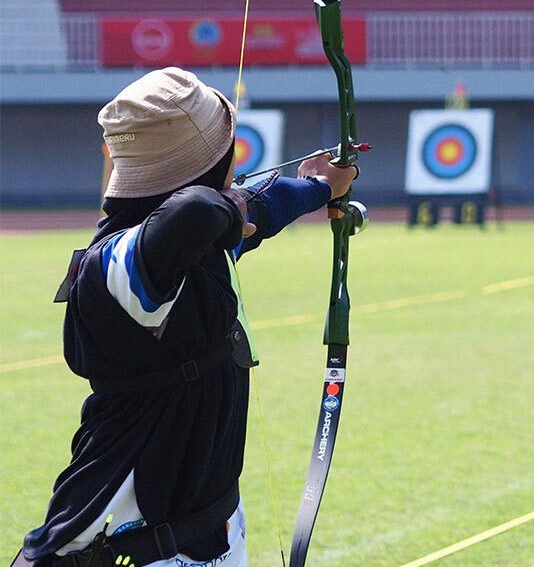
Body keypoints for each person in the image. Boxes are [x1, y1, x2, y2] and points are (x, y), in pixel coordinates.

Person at [12, 68, 357, 567]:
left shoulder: (188, 248)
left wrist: (319, 187)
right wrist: (229, 207)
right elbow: (196, 213)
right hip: (129, 547)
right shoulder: (117, 264)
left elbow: (258, 207)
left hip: (203, 533)